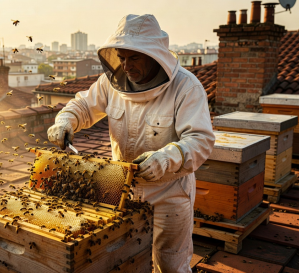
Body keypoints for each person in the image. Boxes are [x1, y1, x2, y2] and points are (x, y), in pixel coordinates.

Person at [47, 14, 215, 272]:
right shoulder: (110, 83)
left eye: (134, 57)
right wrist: (65, 121)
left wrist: (165, 158)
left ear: (154, 55)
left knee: (171, 263)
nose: (125, 65)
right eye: (122, 57)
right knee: (123, 258)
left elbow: (200, 141)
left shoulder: (185, 87)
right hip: (119, 185)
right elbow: (83, 105)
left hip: (168, 190)